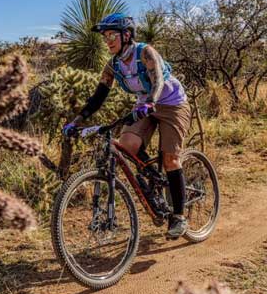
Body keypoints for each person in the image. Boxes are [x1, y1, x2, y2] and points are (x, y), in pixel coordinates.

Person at [62, 13, 191, 238]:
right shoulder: (113, 65)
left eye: (112, 35)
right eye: (105, 36)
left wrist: (151, 102)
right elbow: (98, 96)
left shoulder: (145, 52)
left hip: (171, 104)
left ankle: (179, 216)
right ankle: (153, 178)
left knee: (170, 159)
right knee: (127, 144)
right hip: (144, 106)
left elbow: (158, 80)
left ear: (127, 34)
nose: (108, 40)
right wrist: (76, 121)